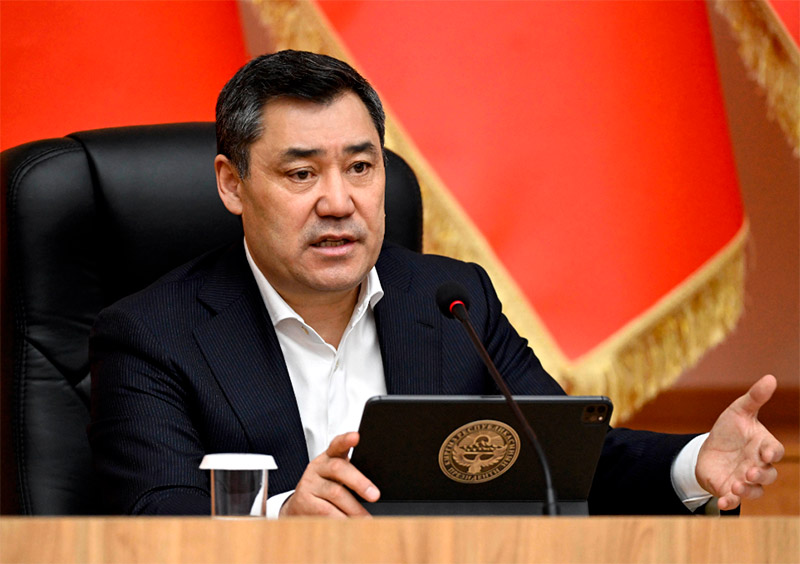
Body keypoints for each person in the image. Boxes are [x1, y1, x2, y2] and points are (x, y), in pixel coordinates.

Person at [89, 50, 784, 518]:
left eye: (361, 167)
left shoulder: (453, 301)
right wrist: (281, 519)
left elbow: (562, 461)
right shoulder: (152, 334)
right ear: (232, 184)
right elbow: (152, 516)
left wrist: (695, 462)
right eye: (301, 174)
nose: (339, 202)